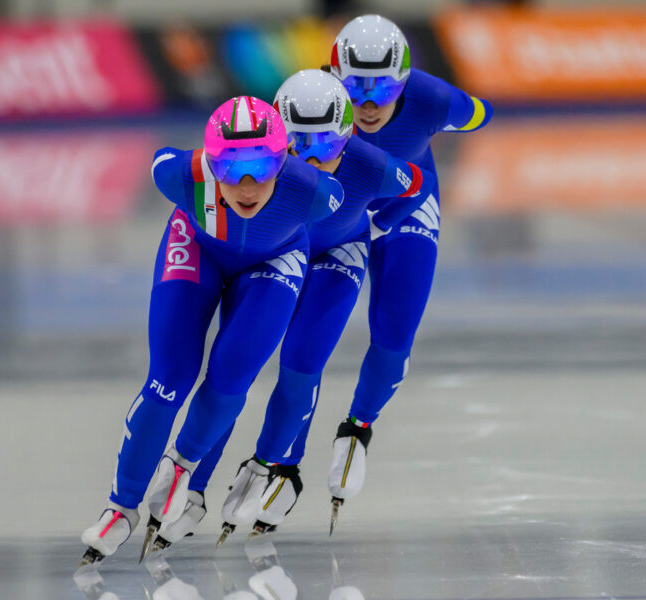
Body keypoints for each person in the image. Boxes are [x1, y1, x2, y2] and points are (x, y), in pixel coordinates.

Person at [149, 69, 438, 551]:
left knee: (302, 362)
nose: (312, 158)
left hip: (336, 256)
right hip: (277, 256)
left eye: (327, 144)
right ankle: (194, 485)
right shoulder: (260, 171)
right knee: (232, 370)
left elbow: (417, 187)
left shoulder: (370, 165)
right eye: (299, 143)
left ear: (347, 137)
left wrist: (378, 225)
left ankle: (271, 467)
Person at [78, 96, 344, 566]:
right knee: (169, 380)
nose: (246, 185)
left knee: (231, 375)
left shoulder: (313, 192)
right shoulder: (179, 175)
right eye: (230, 167)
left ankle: (181, 464)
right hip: (197, 248)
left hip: (273, 262)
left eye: (262, 168)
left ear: (283, 162)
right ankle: (121, 506)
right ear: (210, 163)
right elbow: (163, 158)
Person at [318, 14, 492, 529]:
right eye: (356, 89)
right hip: (340, 214)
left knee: (394, 341)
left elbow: (478, 113)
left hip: (405, 209)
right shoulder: (313, 101)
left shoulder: (432, 98)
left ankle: (358, 428)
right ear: (334, 78)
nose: (369, 104)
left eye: (385, 89)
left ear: (406, 81)